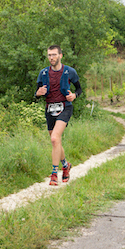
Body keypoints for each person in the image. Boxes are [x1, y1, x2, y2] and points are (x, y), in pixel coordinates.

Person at [35, 45, 82, 186]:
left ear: (60, 55)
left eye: (54, 55)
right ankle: (65, 165)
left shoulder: (69, 71)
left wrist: (74, 95)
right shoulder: (43, 73)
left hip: (65, 107)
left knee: (55, 138)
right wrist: (38, 93)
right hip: (50, 109)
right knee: (56, 141)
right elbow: (36, 92)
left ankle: (54, 174)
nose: (51, 58)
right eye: (49, 55)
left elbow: (79, 88)